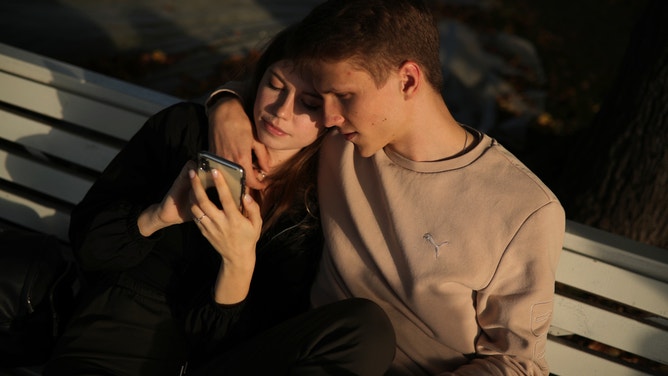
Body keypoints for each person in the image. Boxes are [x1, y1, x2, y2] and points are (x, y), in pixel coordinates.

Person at [206, 0, 566, 375]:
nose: (327, 116)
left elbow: (518, 362)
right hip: (318, 353)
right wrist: (226, 106)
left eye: (344, 96)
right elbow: (272, 91)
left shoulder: (523, 209)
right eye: (322, 97)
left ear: (408, 80)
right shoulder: (337, 138)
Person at [44, 25, 395, 376]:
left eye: (309, 103)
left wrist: (238, 262)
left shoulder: (312, 205)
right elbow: (88, 247)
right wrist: (157, 217)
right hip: (114, 339)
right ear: (258, 80)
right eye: (275, 85)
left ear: (332, 117)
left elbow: (240, 345)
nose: (281, 111)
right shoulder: (183, 130)